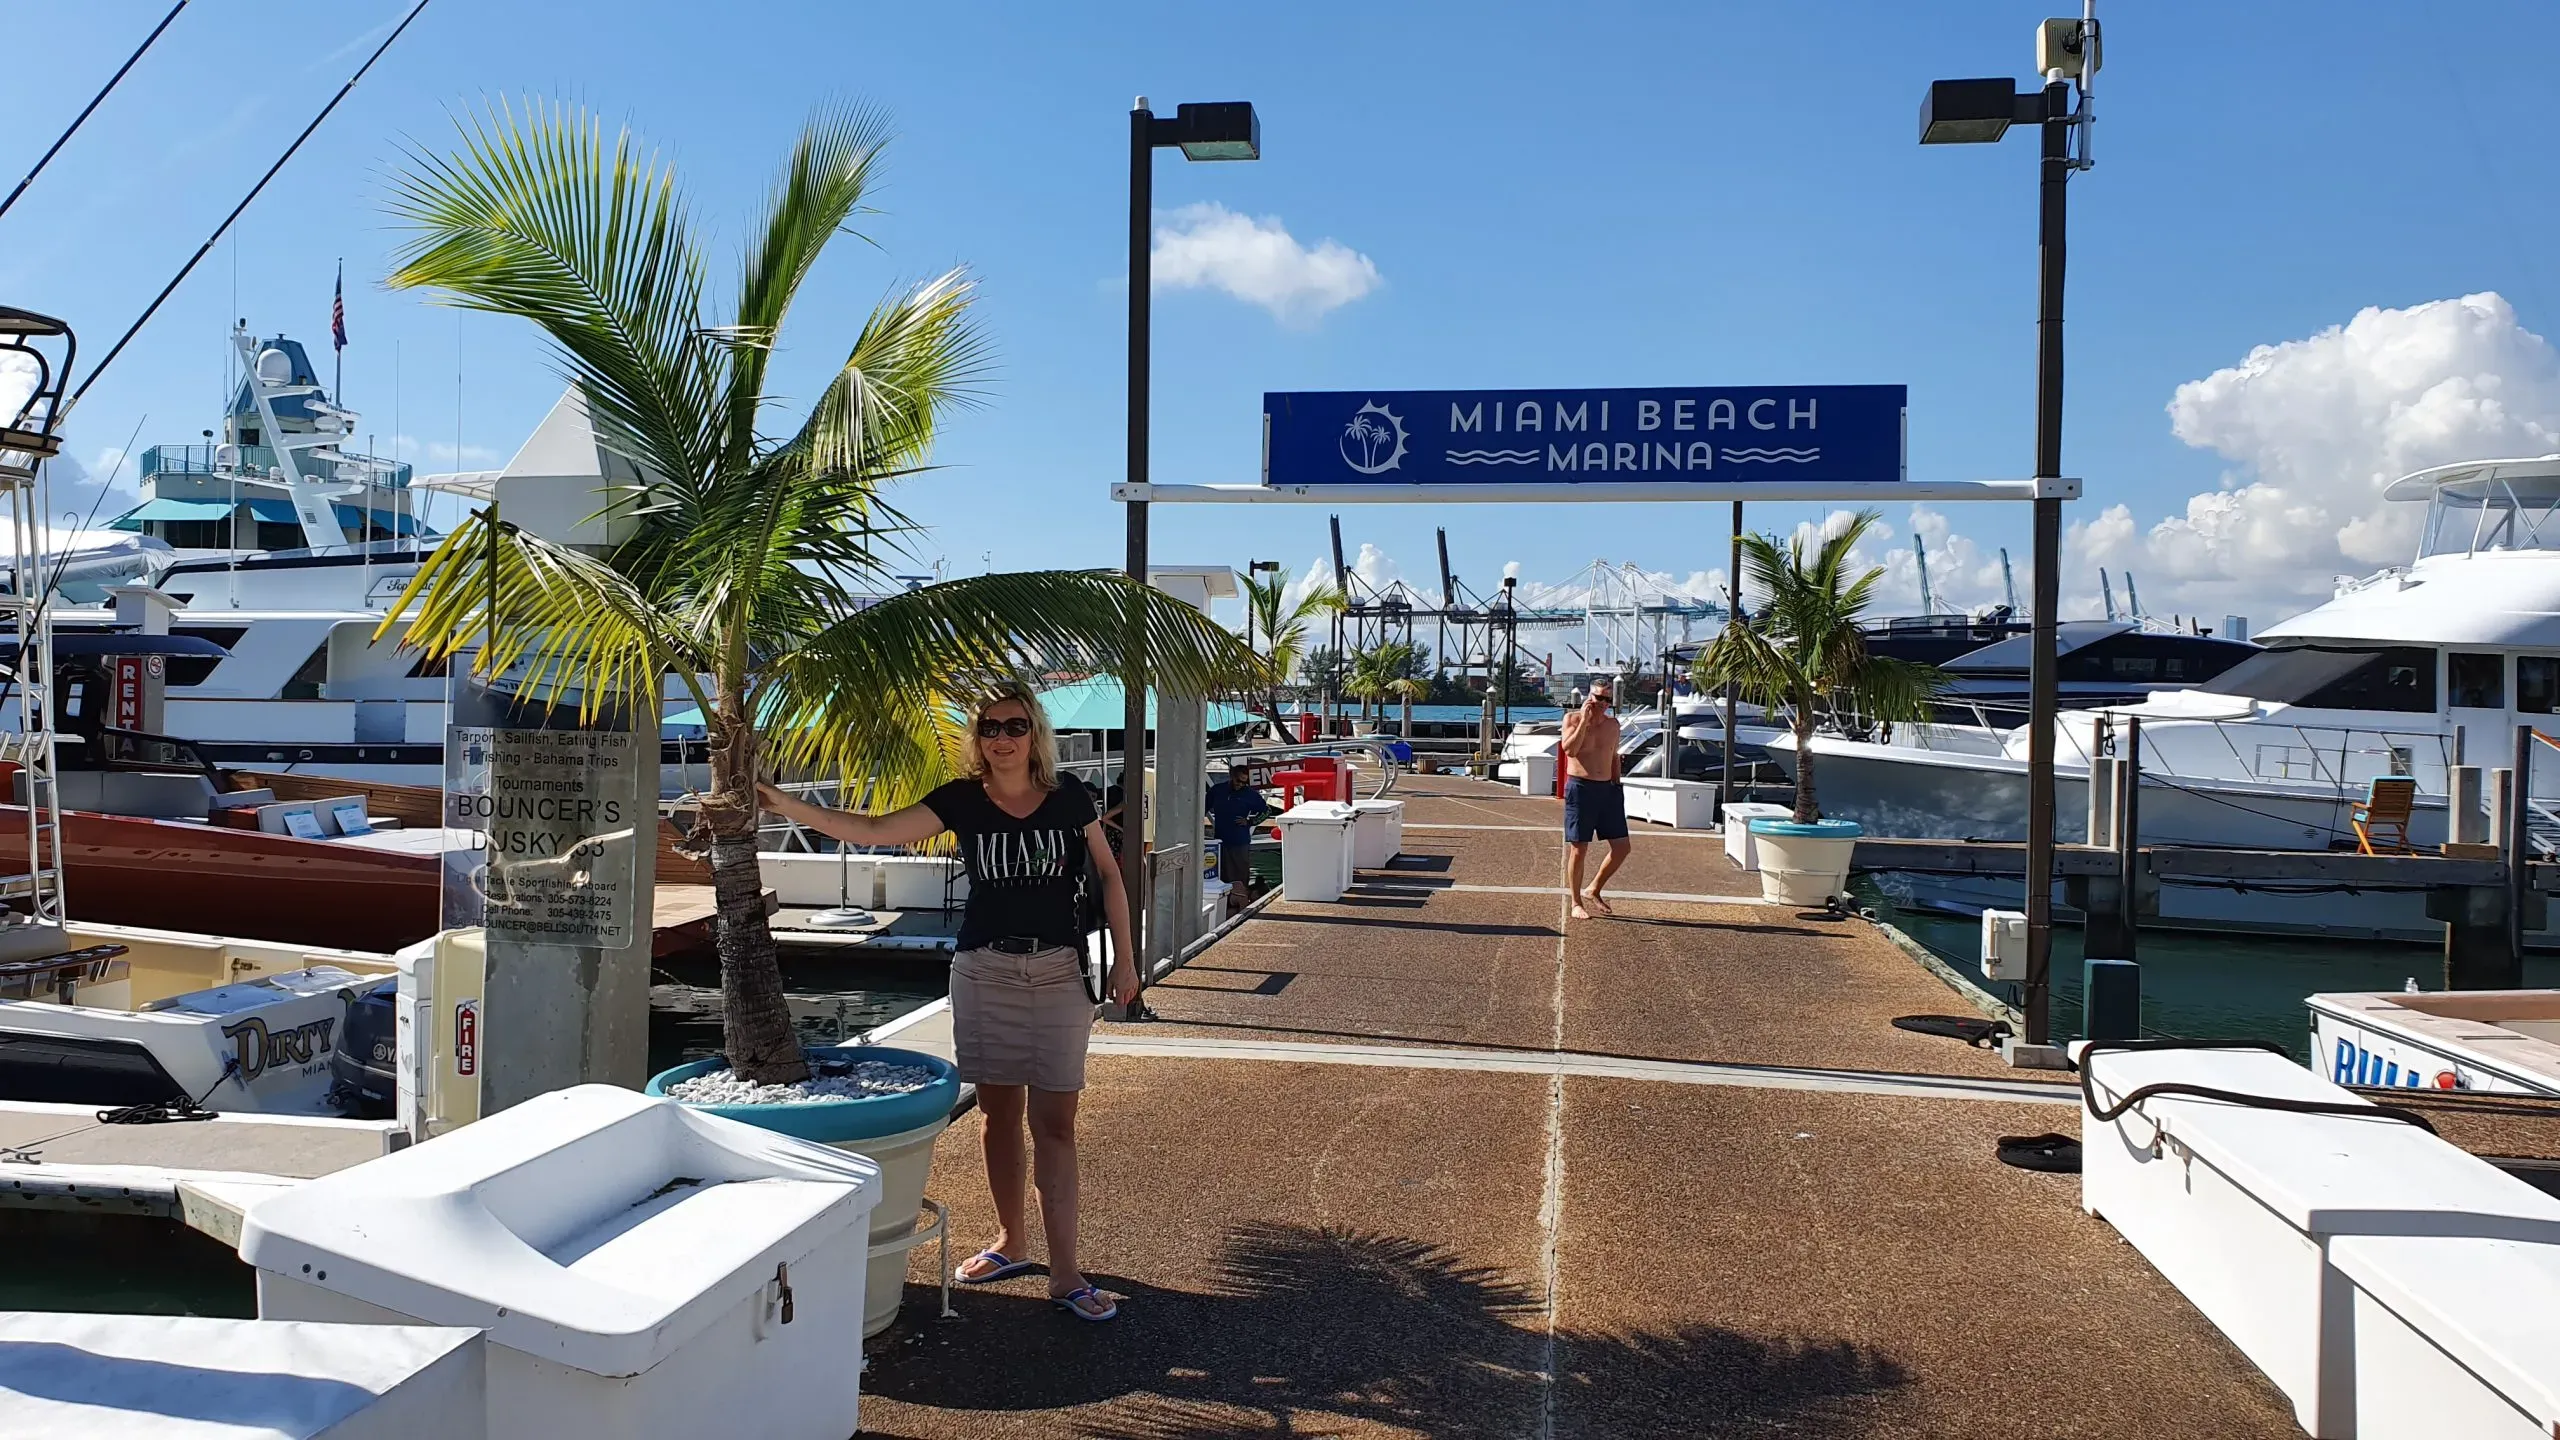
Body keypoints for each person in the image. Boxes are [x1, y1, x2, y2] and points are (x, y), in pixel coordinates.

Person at [756, 681, 1135, 1323]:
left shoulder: (1070, 797)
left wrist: (1126, 959)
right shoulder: (962, 800)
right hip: (984, 970)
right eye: (990, 728)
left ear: (1033, 732)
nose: (1002, 738)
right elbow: (872, 830)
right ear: (977, 739)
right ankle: (1012, 1241)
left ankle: (1066, 1273)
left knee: (1056, 1124)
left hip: (1058, 972)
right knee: (995, 1115)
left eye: (1014, 726)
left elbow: (1108, 874)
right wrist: (778, 800)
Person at [1559, 677, 1630, 920]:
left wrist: (1617, 785)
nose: (1603, 704)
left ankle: (1594, 888)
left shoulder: (1613, 725)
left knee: (1622, 847)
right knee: (1579, 847)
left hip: (1607, 789)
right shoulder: (1572, 719)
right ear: (1590, 696)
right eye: (1599, 698)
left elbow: (1613, 756)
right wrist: (1585, 722)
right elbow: (1570, 750)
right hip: (1581, 787)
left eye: (1608, 700)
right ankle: (1576, 902)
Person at [1206, 763, 1273, 911]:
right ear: (1231, 776)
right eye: (1238, 781)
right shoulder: (1217, 791)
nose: (1240, 785)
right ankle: (1225, 905)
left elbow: (1267, 811)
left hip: (1240, 841)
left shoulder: (1250, 795)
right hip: (1220, 841)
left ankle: (1241, 905)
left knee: (1240, 874)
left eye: (1244, 782)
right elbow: (1202, 808)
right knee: (1221, 874)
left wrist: (1250, 822)